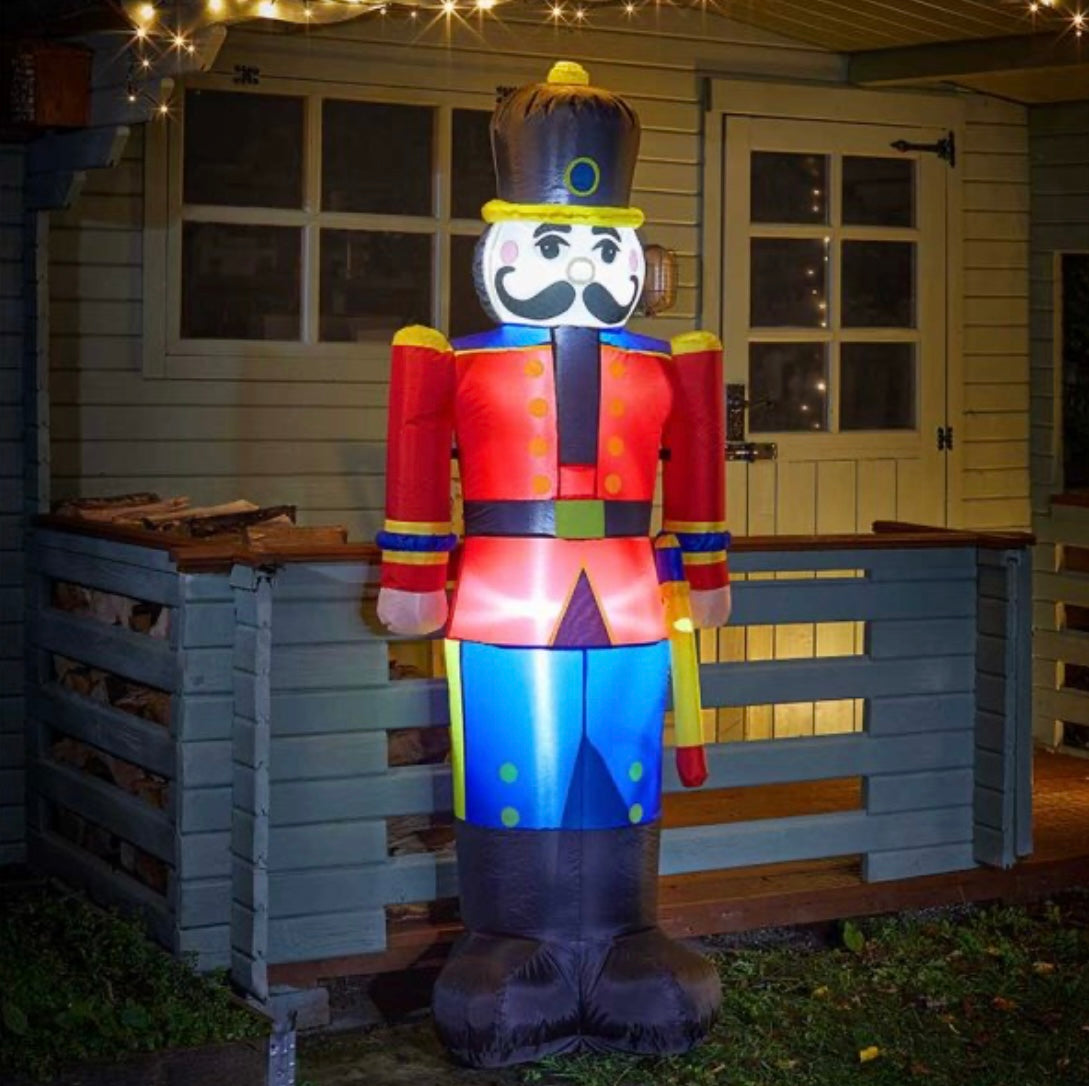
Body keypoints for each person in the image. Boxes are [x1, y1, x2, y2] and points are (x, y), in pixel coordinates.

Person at [376, 60, 730, 1067]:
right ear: (502, 241)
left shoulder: (668, 362)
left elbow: (697, 471)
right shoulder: (455, 358)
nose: (576, 262)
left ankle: (624, 940)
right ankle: (515, 944)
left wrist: (705, 571)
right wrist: (411, 574)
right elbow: (415, 466)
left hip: (624, 591)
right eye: (550, 240)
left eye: (598, 242)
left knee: (620, 767)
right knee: (514, 772)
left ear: (631, 247)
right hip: (504, 592)